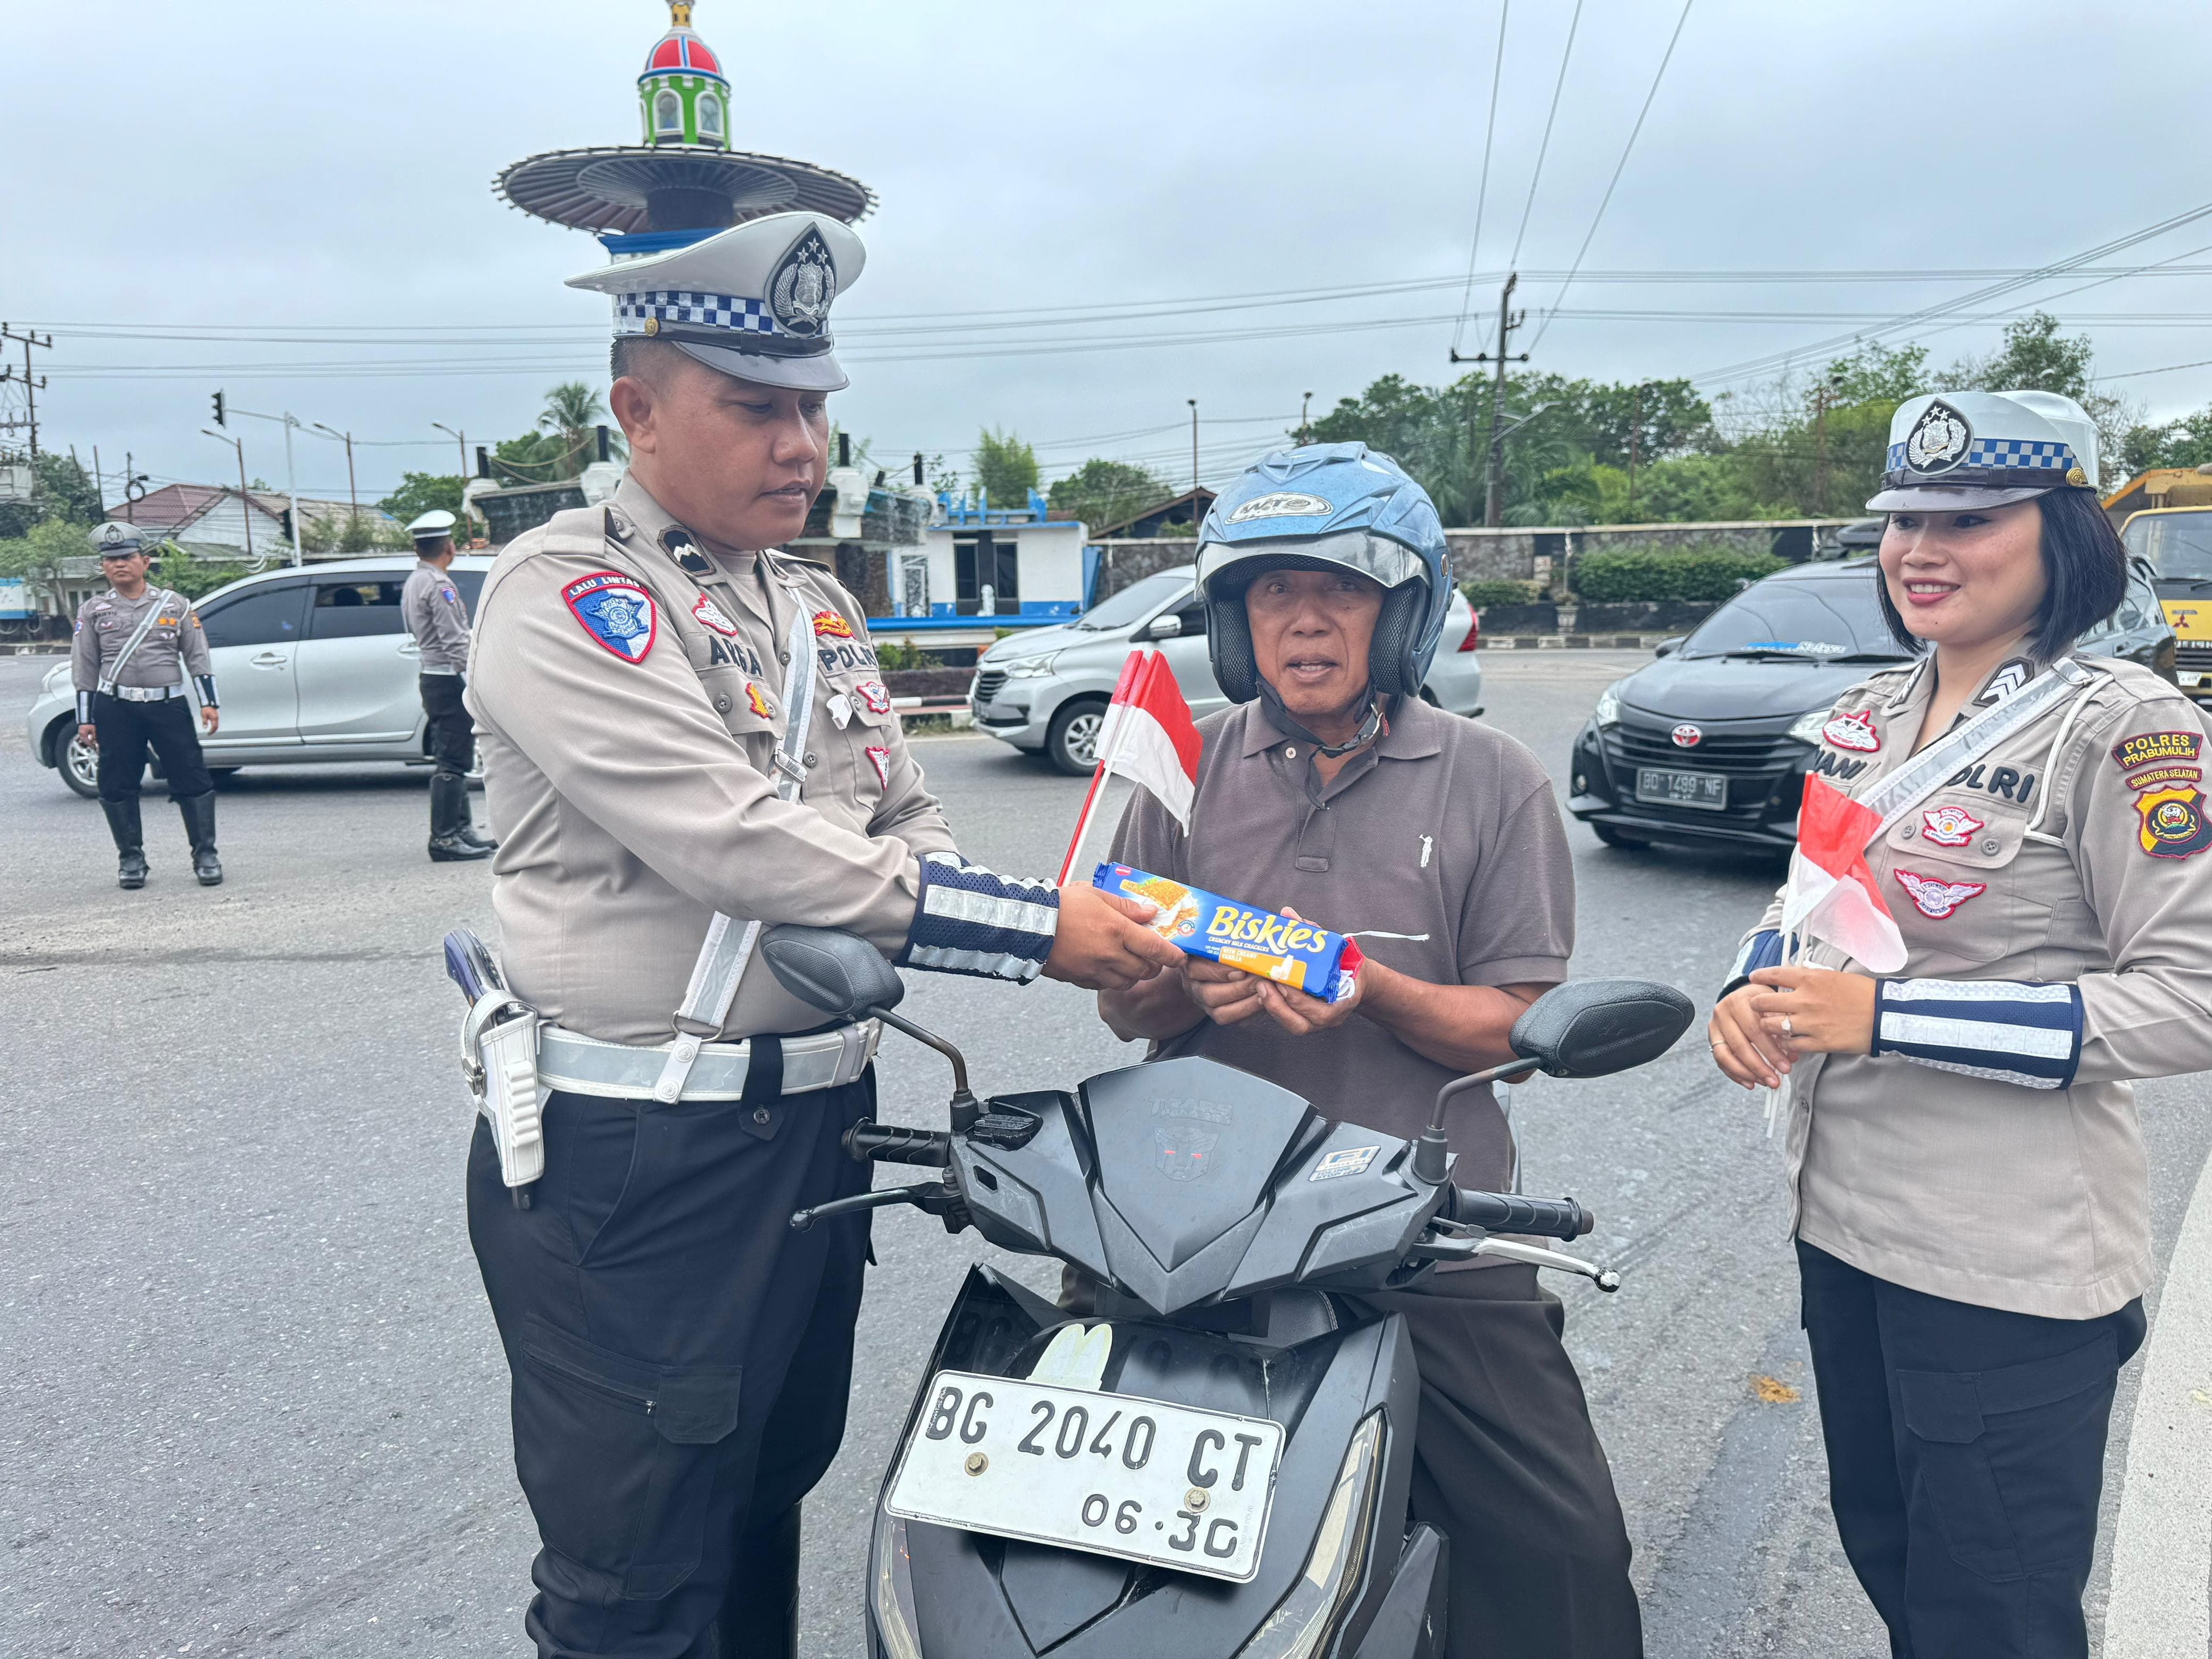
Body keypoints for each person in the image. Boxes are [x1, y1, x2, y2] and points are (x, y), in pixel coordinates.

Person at [460, 211, 1179, 1659]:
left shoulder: (815, 608)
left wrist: (1037, 910)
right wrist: (1047, 931)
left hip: (812, 1135)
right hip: (637, 1155)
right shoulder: (570, 596)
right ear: (638, 410)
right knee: (634, 1571)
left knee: (761, 1502)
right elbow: (732, 837)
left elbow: (902, 820)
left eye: (814, 410)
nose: (803, 447)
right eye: (757, 409)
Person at [1096, 445, 1643, 1658]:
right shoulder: (1178, 769)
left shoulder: (1492, 776)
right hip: (1204, 1218)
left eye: (1336, 590)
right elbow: (1123, 1013)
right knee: (1117, 1554)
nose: (1300, 621)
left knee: (1562, 1551)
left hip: (1426, 1228)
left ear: (1403, 613)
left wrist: (1363, 987)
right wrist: (1175, 981)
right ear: (1234, 621)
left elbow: (1515, 1024)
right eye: (1268, 594)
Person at [1706, 390, 2212, 1658]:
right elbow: (1804, 904)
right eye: (1902, 518)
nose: (1921, 548)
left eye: (1969, 516)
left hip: (2005, 1269)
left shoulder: (2125, 727)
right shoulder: (1872, 714)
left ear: (2066, 532)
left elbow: (2192, 993)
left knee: (1990, 1615)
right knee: (1889, 1554)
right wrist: (1749, 984)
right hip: (1844, 1229)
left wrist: (1882, 1016)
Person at [71, 522, 222, 888]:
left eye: (127, 557)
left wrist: (208, 703)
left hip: (167, 705)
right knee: (117, 783)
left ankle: (206, 855)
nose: (119, 565)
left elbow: (197, 656)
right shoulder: (93, 610)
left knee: (192, 777)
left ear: (146, 561)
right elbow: (85, 664)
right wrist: (85, 718)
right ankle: (131, 860)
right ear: (103, 567)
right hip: (116, 708)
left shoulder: (175, 605)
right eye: (111, 560)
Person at [401, 507, 495, 862]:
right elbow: (455, 641)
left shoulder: (415, 581)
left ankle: (461, 830)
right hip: (447, 678)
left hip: (434, 676)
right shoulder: (439, 585)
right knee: (453, 760)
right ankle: (444, 838)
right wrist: (474, 682)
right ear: (449, 549)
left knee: (452, 754)